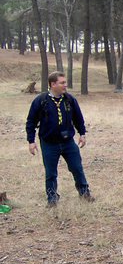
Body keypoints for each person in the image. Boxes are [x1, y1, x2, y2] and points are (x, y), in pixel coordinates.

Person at [25, 71, 94, 208]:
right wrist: (31, 141)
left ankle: (84, 193)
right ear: (53, 84)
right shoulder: (41, 100)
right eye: (62, 83)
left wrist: (82, 133)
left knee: (77, 168)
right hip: (49, 144)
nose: (65, 85)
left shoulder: (69, 100)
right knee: (51, 173)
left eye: (65, 82)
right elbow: (31, 122)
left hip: (68, 142)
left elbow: (78, 118)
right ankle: (52, 199)